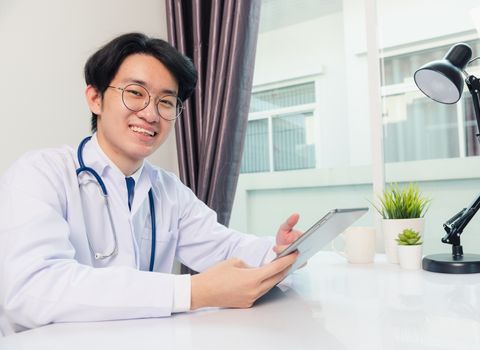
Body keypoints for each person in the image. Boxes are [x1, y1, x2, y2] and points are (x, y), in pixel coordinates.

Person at [0, 32, 300, 332]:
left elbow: (224, 247)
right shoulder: (40, 174)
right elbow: (32, 289)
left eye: (166, 102)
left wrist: (276, 250)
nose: (150, 114)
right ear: (95, 98)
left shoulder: (167, 190)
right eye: (135, 93)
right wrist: (191, 292)